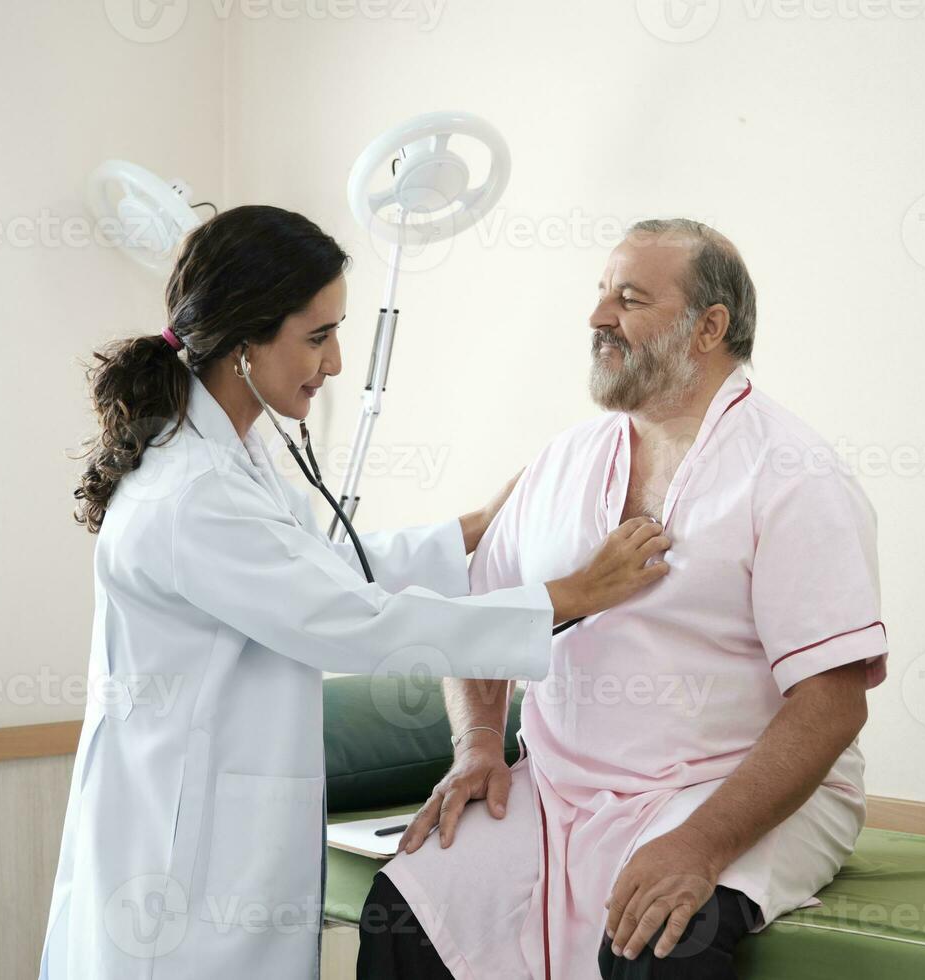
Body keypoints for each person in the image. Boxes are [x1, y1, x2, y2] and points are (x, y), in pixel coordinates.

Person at [39, 205, 671, 979]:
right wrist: (567, 596)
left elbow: (315, 567)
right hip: (178, 852)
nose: (336, 363)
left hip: (212, 821)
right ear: (242, 344)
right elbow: (352, 623)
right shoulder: (190, 492)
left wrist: (471, 529)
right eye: (317, 336)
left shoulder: (230, 457)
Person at [359, 219, 887, 979]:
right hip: (558, 790)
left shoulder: (794, 475)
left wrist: (701, 843)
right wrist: (477, 744)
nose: (598, 317)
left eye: (629, 299)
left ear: (709, 328)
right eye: (601, 294)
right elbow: (482, 618)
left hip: (724, 789)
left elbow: (834, 703)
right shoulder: (562, 462)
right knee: (405, 916)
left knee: (664, 940)